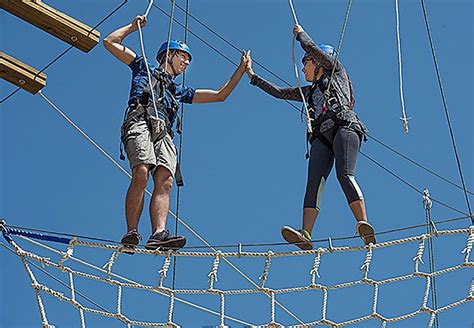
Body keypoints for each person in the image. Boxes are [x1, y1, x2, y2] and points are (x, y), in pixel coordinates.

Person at [103, 15, 247, 251]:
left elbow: (220, 95)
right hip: (140, 122)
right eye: (184, 57)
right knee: (141, 171)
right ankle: (131, 232)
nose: (187, 63)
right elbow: (109, 42)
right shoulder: (143, 67)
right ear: (169, 55)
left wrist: (241, 70)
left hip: (164, 133)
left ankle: (158, 234)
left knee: (166, 180)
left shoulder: (178, 91)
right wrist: (132, 27)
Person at [244, 24, 375, 250]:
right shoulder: (308, 92)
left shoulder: (336, 71)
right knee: (313, 183)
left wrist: (300, 35)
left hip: (344, 125)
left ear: (318, 63)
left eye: (306, 63)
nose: (303, 68)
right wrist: (253, 77)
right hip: (321, 136)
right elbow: (279, 92)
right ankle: (306, 233)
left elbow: (312, 48)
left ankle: (362, 223)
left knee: (344, 174)